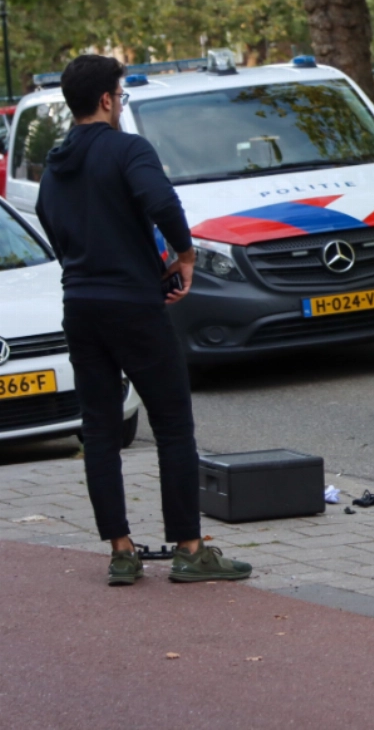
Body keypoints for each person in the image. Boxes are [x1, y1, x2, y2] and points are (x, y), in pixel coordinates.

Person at [35, 54, 250, 586]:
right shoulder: (128, 148)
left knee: (100, 430)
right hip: (133, 304)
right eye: (120, 95)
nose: (120, 103)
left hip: (80, 306)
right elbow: (161, 200)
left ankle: (122, 552)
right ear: (107, 100)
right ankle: (189, 547)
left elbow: (48, 220)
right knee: (173, 423)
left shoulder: (55, 163)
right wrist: (185, 255)